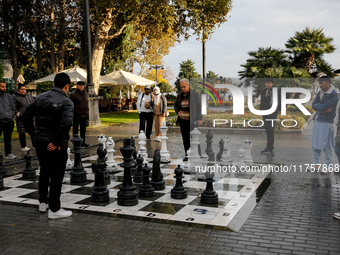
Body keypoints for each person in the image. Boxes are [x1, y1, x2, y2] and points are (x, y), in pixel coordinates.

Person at [23, 73, 74, 219]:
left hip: (40, 142)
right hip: (56, 145)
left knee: (44, 171)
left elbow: (26, 115)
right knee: (57, 175)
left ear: (53, 84)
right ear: (67, 86)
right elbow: (66, 123)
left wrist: (33, 133)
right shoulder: (67, 102)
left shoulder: (40, 97)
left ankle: (43, 202)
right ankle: (55, 209)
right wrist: (56, 142)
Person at [311, 75, 338, 170]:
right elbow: (313, 105)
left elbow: (324, 106)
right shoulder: (320, 92)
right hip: (317, 120)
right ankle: (316, 164)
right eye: (319, 83)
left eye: (321, 83)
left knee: (327, 145)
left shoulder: (334, 94)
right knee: (315, 143)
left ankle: (328, 166)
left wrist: (320, 108)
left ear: (327, 82)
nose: (320, 85)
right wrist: (320, 110)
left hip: (327, 122)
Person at [174, 79, 202, 161]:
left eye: (184, 86)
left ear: (188, 85)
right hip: (183, 121)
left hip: (192, 121)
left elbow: (200, 107)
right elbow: (175, 105)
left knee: (195, 138)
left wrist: (199, 118)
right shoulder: (180, 96)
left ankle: (198, 155)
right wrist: (178, 111)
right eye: (181, 87)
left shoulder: (195, 94)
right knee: (185, 139)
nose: (183, 88)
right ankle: (188, 155)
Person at [260, 78, 280, 156]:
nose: (267, 84)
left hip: (271, 114)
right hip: (265, 113)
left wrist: (273, 111)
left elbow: (278, 102)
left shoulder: (275, 92)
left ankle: (271, 148)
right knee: (267, 130)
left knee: (271, 131)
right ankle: (267, 148)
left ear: (272, 84)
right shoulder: (263, 91)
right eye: (266, 83)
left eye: (269, 83)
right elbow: (262, 102)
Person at [13, 84, 34, 151]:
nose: (23, 90)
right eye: (22, 89)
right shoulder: (15, 97)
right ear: (18, 89)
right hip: (22, 117)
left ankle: (35, 145)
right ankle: (23, 146)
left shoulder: (29, 96)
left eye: (24, 89)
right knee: (22, 132)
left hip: (31, 116)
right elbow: (14, 107)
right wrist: (17, 113)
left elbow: (33, 103)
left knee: (33, 131)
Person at [0, 80, 17, 159]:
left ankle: (8, 153)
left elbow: (13, 108)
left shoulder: (9, 97)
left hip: (9, 121)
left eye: (5, 86)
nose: (4, 88)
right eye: (2, 87)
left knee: (8, 138)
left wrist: (12, 118)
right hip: (0, 121)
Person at [69, 81, 89, 147]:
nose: (81, 86)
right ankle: (76, 143)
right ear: (77, 86)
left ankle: (83, 142)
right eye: (80, 85)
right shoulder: (73, 94)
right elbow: (70, 105)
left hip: (84, 114)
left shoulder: (85, 93)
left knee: (83, 130)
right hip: (76, 115)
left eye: (83, 85)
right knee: (75, 130)